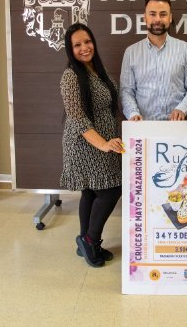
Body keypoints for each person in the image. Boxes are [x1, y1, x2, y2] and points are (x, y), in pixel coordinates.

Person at [60, 23, 124, 268]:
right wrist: (104, 144)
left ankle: (86, 244)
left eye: (87, 41)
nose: (84, 48)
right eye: (77, 45)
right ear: (70, 49)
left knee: (90, 191)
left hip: (103, 142)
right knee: (110, 190)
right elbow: (77, 118)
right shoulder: (70, 76)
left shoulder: (97, 70)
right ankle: (90, 239)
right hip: (85, 144)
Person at [120, 0, 187, 121]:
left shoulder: (185, 49)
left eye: (163, 14)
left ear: (170, 18)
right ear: (145, 18)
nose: (158, 19)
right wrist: (133, 113)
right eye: (152, 14)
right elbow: (126, 91)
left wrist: (182, 109)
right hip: (143, 125)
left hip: (176, 126)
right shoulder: (131, 52)